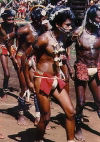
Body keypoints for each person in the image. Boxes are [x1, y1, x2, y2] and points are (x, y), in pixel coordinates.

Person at [22, 5, 76, 142]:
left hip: (56, 79)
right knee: (46, 117)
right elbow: (24, 57)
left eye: (71, 25)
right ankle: (38, 139)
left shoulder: (62, 37)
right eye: (67, 25)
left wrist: (66, 70)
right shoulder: (43, 39)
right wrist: (28, 82)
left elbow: (61, 58)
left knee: (71, 112)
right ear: (57, 24)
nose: (70, 27)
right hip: (42, 80)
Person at [73, 4, 100, 141]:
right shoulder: (78, 33)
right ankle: (77, 128)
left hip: (95, 70)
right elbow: (61, 46)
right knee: (81, 102)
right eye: (98, 18)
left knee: (99, 101)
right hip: (82, 69)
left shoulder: (99, 33)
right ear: (90, 18)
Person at [0, 9, 17, 99]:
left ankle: (24, 90)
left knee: (20, 69)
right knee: (7, 73)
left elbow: (18, 38)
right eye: (9, 19)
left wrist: (18, 50)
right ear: (4, 19)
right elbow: (6, 41)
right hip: (2, 47)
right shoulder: (1, 27)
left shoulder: (15, 26)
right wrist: (13, 56)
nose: (11, 21)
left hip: (12, 48)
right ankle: (4, 91)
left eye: (12, 19)